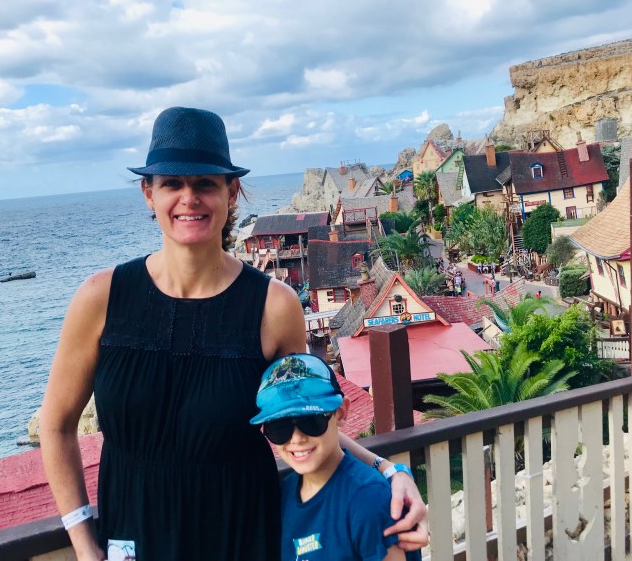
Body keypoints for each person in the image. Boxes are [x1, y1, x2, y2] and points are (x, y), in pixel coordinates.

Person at [39, 107, 427, 560]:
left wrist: (387, 471)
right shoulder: (102, 298)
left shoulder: (273, 306)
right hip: (133, 536)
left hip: (242, 535)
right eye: (172, 183)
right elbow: (56, 425)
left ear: (231, 192)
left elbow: (306, 417)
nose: (189, 198)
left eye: (205, 183)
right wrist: (84, 542)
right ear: (149, 194)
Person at [251, 354, 421, 561]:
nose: (297, 438)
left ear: (340, 413)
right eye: (279, 428)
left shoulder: (369, 499)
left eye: (311, 421)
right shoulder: (285, 493)